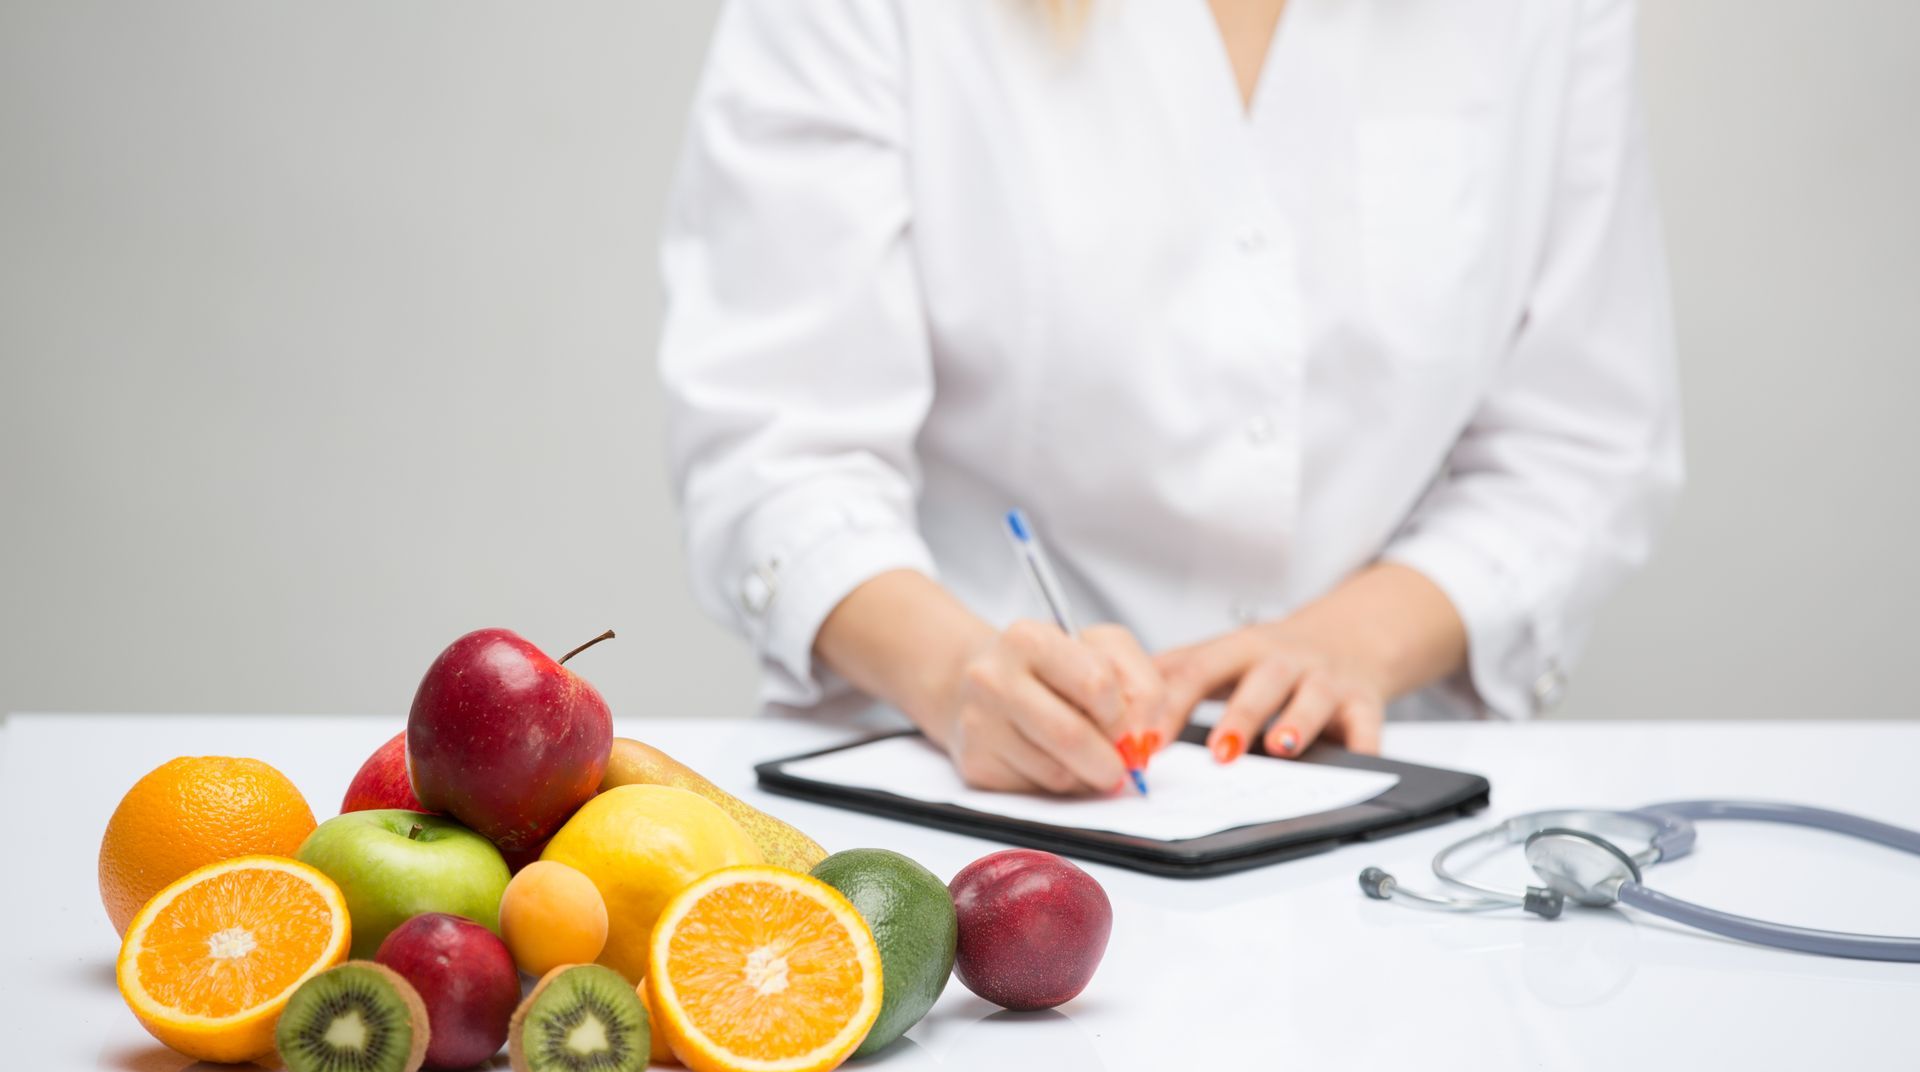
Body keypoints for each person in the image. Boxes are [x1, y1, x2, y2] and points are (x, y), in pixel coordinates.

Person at [660, 0, 1681, 794]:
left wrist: (1350, 644)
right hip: (952, 789)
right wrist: (957, 670)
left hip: (1375, 787)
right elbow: (779, 440)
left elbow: (1580, 443)